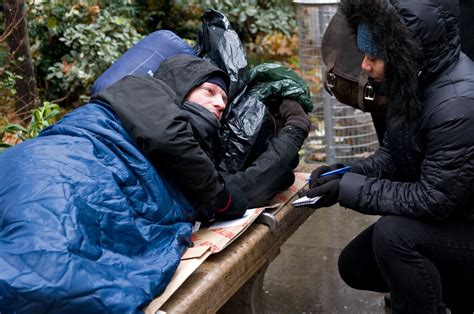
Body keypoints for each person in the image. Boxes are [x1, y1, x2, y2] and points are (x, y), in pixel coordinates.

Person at [302, 0, 474, 312]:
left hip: (463, 222)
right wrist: (344, 174)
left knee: (394, 236)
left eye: (375, 56)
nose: (365, 66)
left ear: (406, 52)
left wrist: (349, 190)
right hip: (457, 216)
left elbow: (432, 198)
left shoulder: (457, 104)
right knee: (356, 264)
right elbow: (397, 156)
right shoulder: (413, 79)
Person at [94, 54, 312, 221]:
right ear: (182, 87)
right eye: (209, 91)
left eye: (224, 98)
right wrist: (221, 198)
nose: (220, 103)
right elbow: (166, 137)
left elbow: (241, 189)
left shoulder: (202, 142)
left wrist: (292, 133)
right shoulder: (140, 88)